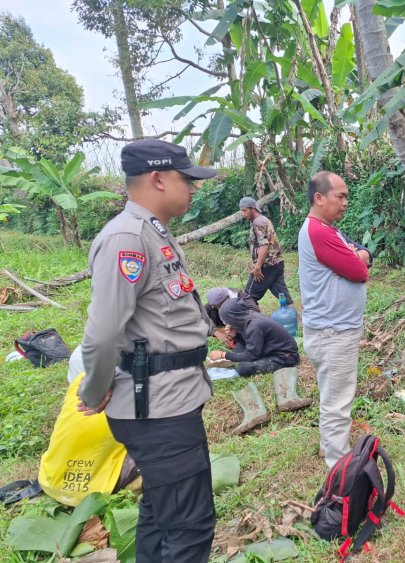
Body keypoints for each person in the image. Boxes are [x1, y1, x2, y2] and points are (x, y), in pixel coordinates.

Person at [77, 139, 217, 562]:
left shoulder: (153, 232)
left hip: (166, 405)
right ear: (157, 179)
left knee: (160, 514)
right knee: (191, 528)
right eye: (186, 179)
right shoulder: (128, 238)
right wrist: (94, 389)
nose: (193, 188)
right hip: (158, 413)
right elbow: (102, 333)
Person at [298, 171, 372, 468]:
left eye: (346, 197)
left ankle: (330, 447)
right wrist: (359, 258)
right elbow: (360, 270)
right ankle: (339, 469)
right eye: (340, 196)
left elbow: (363, 254)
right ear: (319, 198)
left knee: (333, 395)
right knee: (337, 403)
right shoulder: (320, 232)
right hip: (333, 332)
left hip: (331, 329)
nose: (345, 203)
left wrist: (360, 255)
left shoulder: (329, 229)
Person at [208, 297, 311, 433]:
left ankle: (282, 401)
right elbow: (245, 344)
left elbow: (251, 355)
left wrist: (224, 355)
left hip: (284, 357)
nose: (226, 324)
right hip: (267, 349)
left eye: (227, 320)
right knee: (239, 350)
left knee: (245, 367)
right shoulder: (248, 319)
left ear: (234, 316)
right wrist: (235, 335)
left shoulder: (255, 325)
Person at [239, 196, 293, 305]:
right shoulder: (263, 220)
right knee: (283, 295)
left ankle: (254, 320)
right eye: (242, 211)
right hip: (277, 263)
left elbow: (264, 245)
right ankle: (294, 317)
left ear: (253, 208)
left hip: (266, 266)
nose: (243, 214)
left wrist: (258, 266)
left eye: (245, 211)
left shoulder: (258, 223)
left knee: (248, 297)